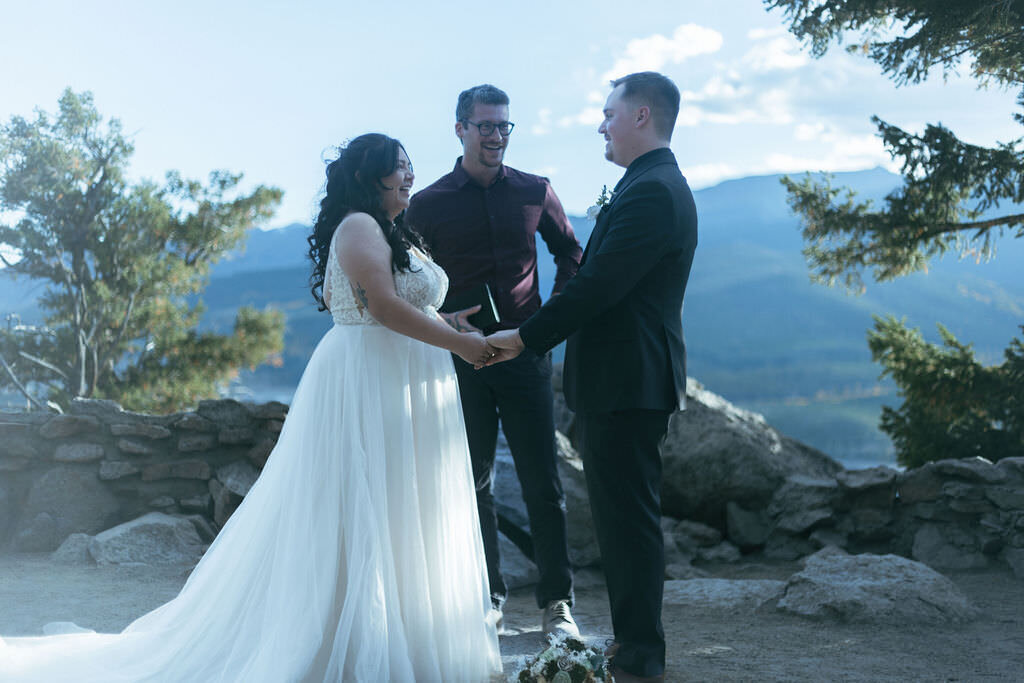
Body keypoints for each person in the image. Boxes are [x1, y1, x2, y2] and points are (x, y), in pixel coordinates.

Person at [0, 133, 503, 682]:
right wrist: (462, 344)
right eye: (398, 168)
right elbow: (379, 307)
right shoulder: (359, 225)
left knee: (398, 507)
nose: (410, 176)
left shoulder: (386, 230)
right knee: (366, 504)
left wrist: (445, 323)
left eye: (410, 166)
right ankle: (354, 644)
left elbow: (377, 304)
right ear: (367, 177)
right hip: (370, 381)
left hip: (399, 375)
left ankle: (396, 636)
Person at [485, 72, 698, 683]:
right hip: (621, 379)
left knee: (628, 520)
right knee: (620, 517)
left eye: (609, 113)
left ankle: (640, 655)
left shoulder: (654, 191)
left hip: (629, 380)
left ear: (642, 116)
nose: (601, 123)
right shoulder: (646, 183)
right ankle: (633, 646)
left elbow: (601, 285)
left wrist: (525, 338)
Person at [405, 84, 583, 636]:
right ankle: (488, 599)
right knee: (470, 480)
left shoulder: (536, 191)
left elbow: (571, 256)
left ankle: (559, 605)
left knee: (542, 482)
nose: (497, 136)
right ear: (460, 129)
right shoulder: (428, 204)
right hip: (459, 362)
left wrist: (542, 326)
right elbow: (405, 279)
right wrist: (445, 325)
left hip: (526, 356)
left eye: (505, 126)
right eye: (486, 126)